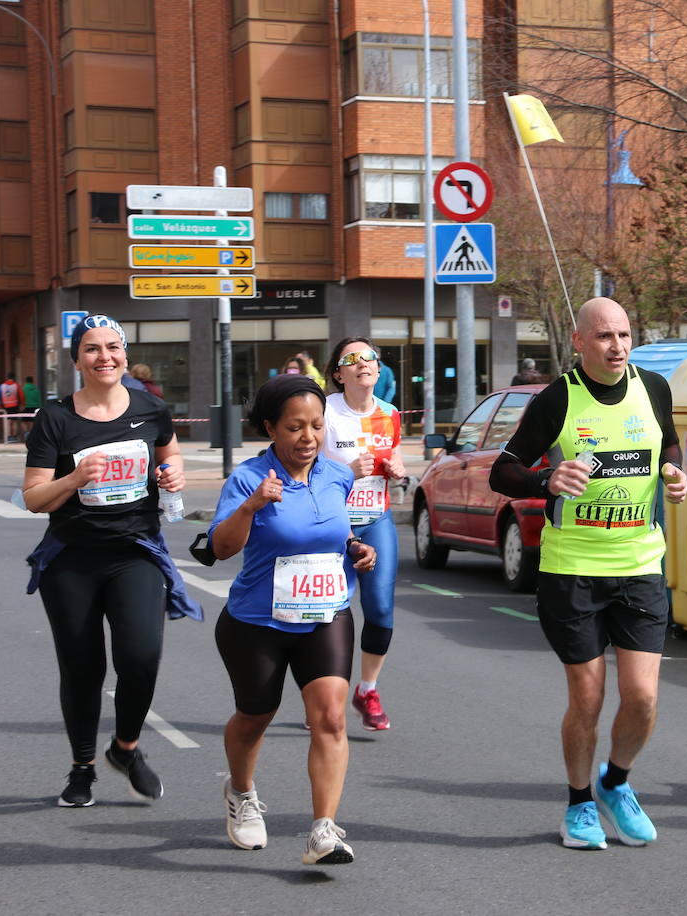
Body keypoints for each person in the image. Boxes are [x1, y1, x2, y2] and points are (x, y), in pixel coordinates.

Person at [490, 297, 687, 851]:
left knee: (643, 697)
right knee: (587, 698)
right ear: (579, 342)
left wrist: (676, 473)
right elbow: (503, 471)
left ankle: (615, 783)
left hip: (641, 563)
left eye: (624, 335)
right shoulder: (558, 399)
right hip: (572, 569)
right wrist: (546, 481)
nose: (618, 346)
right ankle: (578, 804)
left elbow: (669, 447)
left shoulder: (654, 389)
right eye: (604, 337)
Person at [21, 314, 200, 808]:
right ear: (77, 359)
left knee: (141, 657)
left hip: (135, 552)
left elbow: (172, 456)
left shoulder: (150, 408)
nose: (105, 357)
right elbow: (34, 498)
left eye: (113, 347)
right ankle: (82, 767)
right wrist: (74, 480)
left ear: (124, 353)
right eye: (93, 349)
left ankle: (125, 748)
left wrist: (173, 477)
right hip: (72, 559)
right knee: (83, 668)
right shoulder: (55, 418)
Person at [208, 373, 376, 865]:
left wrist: (356, 548)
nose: (308, 438)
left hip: (326, 613)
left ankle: (324, 829)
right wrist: (254, 504)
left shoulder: (337, 475)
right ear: (271, 429)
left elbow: (335, 535)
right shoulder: (246, 479)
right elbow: (220, 548)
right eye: (295, 427)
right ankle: (240, 793)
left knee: (328, 717)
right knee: (256, 715)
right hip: (257, 621)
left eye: (317, 426)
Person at [321, 339, 407, 731]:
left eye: (369, 357)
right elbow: (302, 464)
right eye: (351, 360)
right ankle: (323, 695)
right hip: (331, 522)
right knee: (329, 612)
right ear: (338, 373)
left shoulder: (389, 413)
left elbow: (398, 455)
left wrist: (397, 470)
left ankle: (367, 690)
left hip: (376, 517)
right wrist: (346, 471)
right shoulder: (324, 411)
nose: (362, 364)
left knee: (381, 609)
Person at [0, 373, 24, 441]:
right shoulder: (16, 385)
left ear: (7, 377)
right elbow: (21, 396)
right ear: (14, 378)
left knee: (7, 421)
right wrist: (22, 403)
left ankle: (8, 436)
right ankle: (14, 436)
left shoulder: (2, 386)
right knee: (14, 422)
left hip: (5, 406)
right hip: (15, 405)